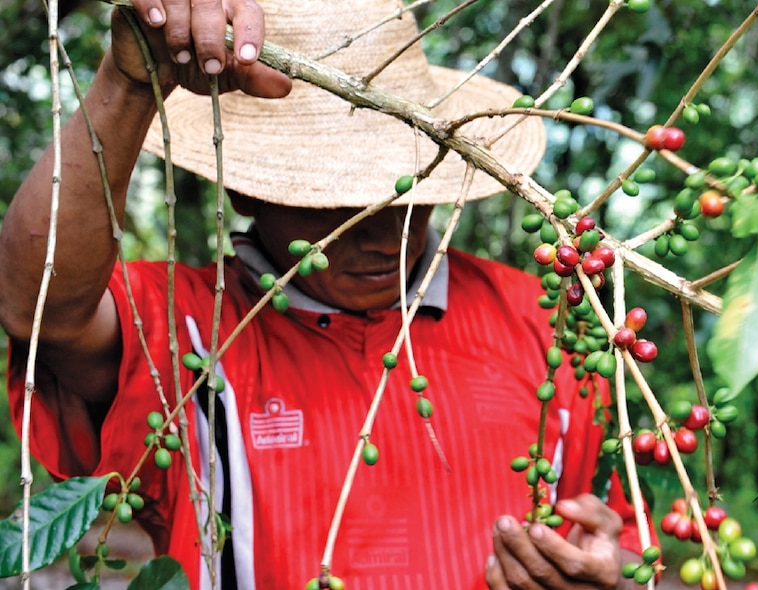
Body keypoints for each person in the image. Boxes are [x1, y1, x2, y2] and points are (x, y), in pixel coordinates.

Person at [0, 0, 656, 588]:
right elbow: (40, 309)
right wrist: (128, 82)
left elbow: (623, 539)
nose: (384, 238)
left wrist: (607, 575)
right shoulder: (190, 330)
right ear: (246, 192)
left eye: (408, 196)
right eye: (334, 206)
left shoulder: (545, 321)